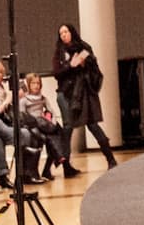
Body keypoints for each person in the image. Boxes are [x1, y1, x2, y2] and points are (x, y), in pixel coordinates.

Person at [50, 24, 118, 169]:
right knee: (68, 128)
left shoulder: (84, 47)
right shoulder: (59, 52)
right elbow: (56, 73)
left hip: (84, 93)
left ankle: (110, 159)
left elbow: (94, 68)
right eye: (60, 32)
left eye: (66, 31)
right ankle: (66, 167)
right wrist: (71, 65)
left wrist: (83, 64)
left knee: (93, 125)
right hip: (67, 94)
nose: (63, 35)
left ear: (72, 32)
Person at [19, 73, 75, 179]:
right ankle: (60, 159)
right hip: (34, 126)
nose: (36, 86)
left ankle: (51, 166)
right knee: (51, 139)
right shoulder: (24, 100)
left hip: (45, 124)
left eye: (38, 83)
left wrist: (53, 121)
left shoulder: (43, 98)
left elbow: (51, 111)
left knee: (57, 135)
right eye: (33, 83)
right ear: (28, 84)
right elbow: (23, 116)